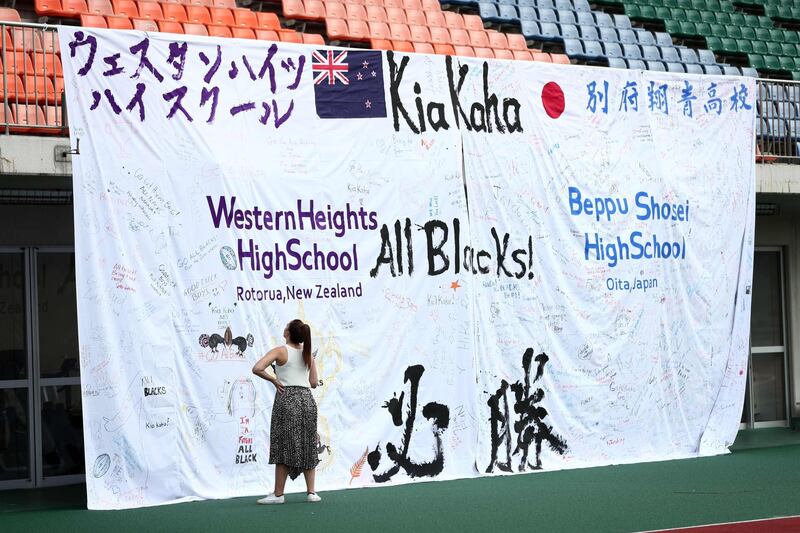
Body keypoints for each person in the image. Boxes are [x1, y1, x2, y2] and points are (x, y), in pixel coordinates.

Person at [252, 319, 321, 504]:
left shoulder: (281, 351)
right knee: (308, 443)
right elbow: (314, 383)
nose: (284, 328)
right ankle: (311, 492)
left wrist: (274, 380)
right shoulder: (308, 354)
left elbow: (257, 368)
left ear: (288, 333)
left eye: (286, 326)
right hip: (307, 400)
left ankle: (278, 494)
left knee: (282, 445)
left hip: (287, 399)